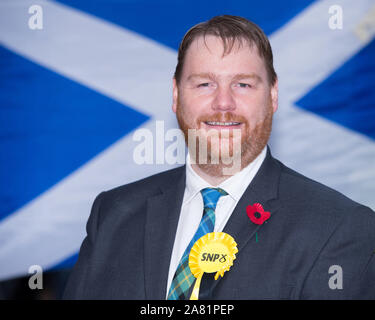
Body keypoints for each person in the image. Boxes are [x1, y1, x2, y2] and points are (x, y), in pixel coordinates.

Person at [63, 15, 375, 300]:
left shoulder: (342, 227)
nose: (223, 103)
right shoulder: (113, 215)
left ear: (273, 96)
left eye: (243, 84)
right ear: (175, 96)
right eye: (204, 84)